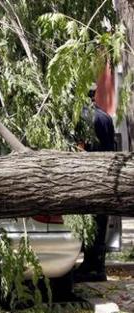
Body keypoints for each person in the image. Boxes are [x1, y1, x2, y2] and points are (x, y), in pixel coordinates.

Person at [76, 63, 116, 282]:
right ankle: (98, 267)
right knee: (100, 224)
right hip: (104, 176)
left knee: (87, 224)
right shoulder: (106, 117)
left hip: (84, 178)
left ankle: (87, 266)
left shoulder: (78, 117)